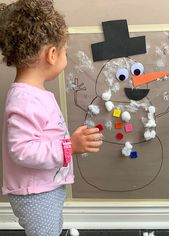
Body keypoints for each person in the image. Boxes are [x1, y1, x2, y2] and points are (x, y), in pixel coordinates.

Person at [0, 0, 103, 235]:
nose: (65, 55)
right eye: (65, 50)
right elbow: (22, 150)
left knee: (52, 229)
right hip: (36, 193)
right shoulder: (25, 99)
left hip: (46, 186)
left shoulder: (33, 93)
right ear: (52, 54)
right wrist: (69, 147)